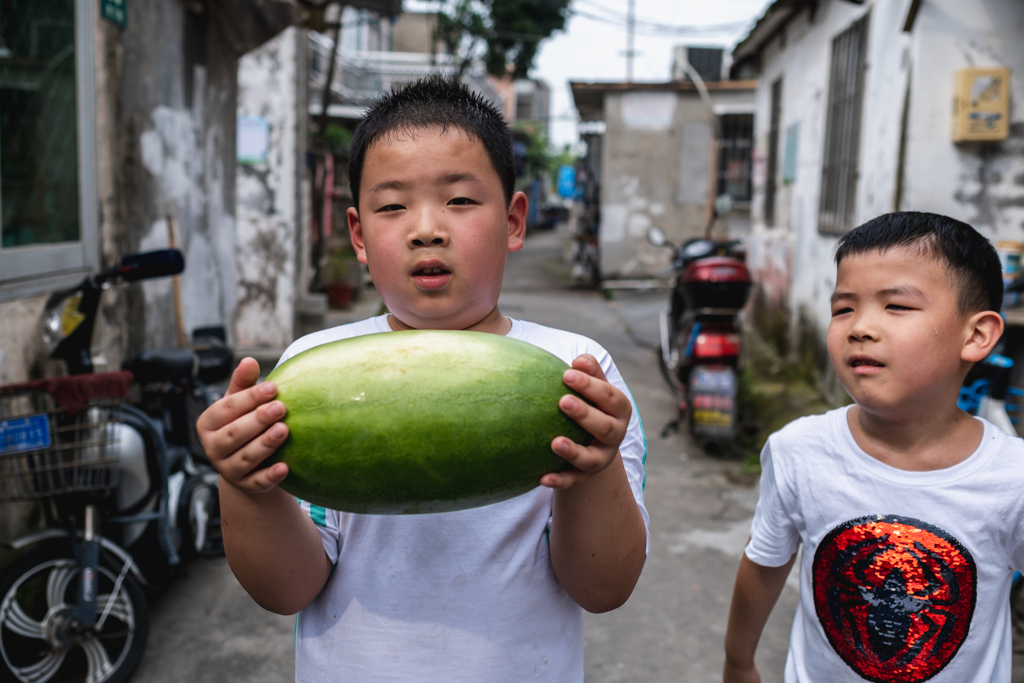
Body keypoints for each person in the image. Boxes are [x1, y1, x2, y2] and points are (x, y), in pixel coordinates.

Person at [197, 75, 648, 682]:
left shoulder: (581, 376)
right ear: (358, 235)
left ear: (514, 220)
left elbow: (604, 587)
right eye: (392, 206)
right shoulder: (314, 366)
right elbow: (288, 589)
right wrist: (246, 484)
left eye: (460, 201)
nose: (426, 228)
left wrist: (593, 471)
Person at [723, 212, 1024, 683]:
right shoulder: (798, 451)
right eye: (843, 308)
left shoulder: (1012, 479)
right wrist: (738, 663)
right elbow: (763, 563)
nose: (859, 327)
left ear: (977, 334)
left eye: (897, 306)